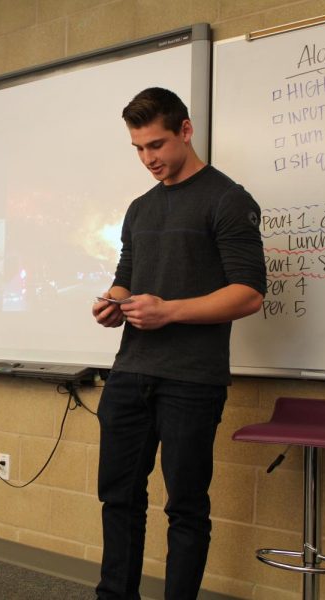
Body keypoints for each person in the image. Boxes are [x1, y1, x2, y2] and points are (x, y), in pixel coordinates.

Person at [91, 87, 266, 599]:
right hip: (130, 374)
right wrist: (112, 302)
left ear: (186, 131)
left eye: (158, 145)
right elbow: (128, 275)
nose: (149, 159)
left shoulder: (229, 200)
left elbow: (249, 293)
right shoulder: (139, 209)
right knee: (118, 498)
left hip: (192, 379)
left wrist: (169, 311)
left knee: (185, 507)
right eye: (139, 149)